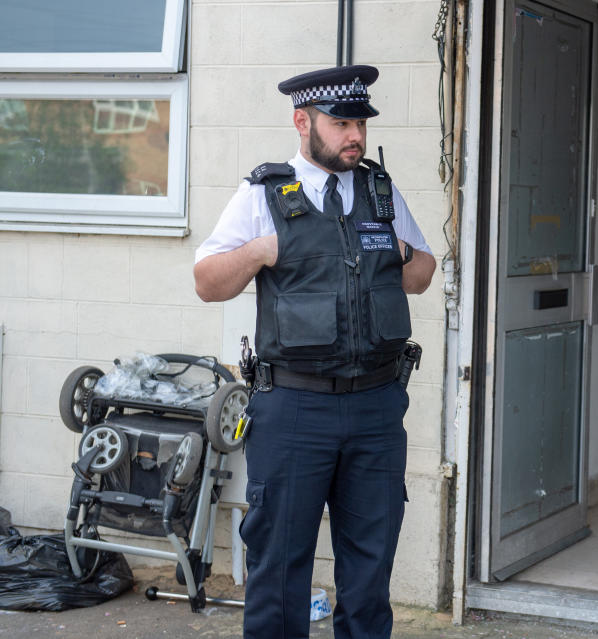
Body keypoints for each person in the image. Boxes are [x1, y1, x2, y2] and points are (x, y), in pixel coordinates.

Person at [193, 64, 435, 639]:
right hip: (294, 409)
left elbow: (424, 274)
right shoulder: (264, 194)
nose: (356, 135)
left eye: (361, 124)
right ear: (303, 122)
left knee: (370, 571)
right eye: (342, 123)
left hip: (377, 408)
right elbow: (207, 281)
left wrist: (399, 251)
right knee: (279, 570)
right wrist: (259, 251)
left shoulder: (380, 192)